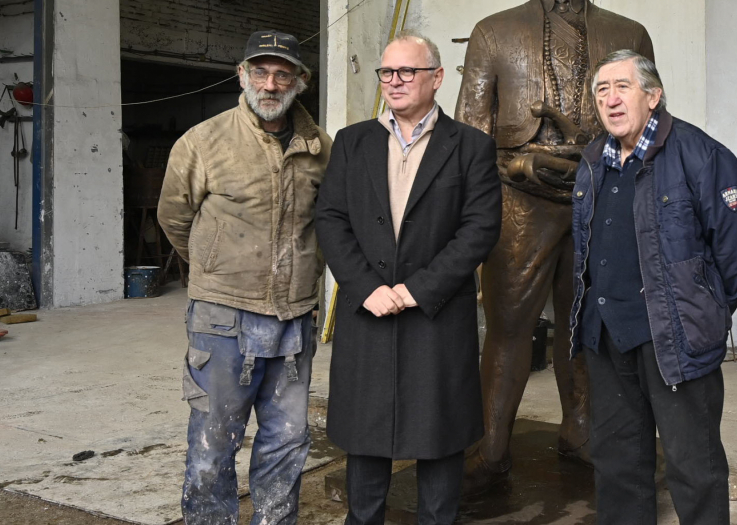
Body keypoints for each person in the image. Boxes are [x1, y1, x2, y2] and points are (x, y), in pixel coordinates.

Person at [454, 0, 654, 491]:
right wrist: (497, 185)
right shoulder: (494, 32)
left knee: (587, 321)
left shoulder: (628, 32)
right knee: (509, 325)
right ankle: (491, 442)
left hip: (601, 198)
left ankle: (581, 430)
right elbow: (469, 132)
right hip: (517, 201)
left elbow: (648, 126)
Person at [315, 32, 501, 525]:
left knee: (439, 437)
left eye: (407, 72)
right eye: (386, 73)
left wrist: (418, 289)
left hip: (436, 312)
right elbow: (330, 219)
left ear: (437, 78)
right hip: (368, 306)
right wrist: (364, 287)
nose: (394, 82)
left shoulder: (471, 147)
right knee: (366, 435)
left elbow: (480, 228)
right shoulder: (353, 142)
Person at [569, 50, 737, 524]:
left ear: (652, 96)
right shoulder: (594, 160)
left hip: (673, 338)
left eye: (622, 87)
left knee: (694, 469)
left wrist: (702, 312)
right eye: (601, 90)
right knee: (617, 467)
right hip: (607, 337)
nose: (610, 100)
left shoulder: (702, 155)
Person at [157, 29, 332, 525]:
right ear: (242, 75)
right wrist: (216, 270)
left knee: (286, 445)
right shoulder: (204, 142)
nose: (270, 83)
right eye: (260, 71)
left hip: (294, 320)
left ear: (301, 81)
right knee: (214, 446)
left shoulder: (320, 147)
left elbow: (325, 224)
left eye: (283, 73)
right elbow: (174, 219)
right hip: (223, 320)